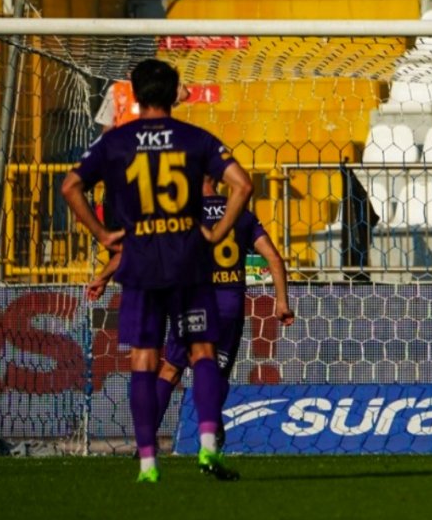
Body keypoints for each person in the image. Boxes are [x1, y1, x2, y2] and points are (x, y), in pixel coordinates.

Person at [61, 58, 253, 483]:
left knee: (145, 361)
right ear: (174, 92)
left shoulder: (117, 141)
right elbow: (243, 184)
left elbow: (70, 186)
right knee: (202, 352)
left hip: (142, 263)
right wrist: (218, 230)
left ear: (134, 92)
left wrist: (103, 235)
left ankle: (148, 461)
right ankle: (207, 448)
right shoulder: (196, 138)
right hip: (188, 258)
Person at [88, 176, 295, 447]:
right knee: (215, 375)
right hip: (228, 308)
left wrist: (103, 277)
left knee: (171, 369)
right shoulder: (241, 215)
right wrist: (282, 302)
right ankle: (212, 433)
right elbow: (274, 258)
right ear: (218, 180)